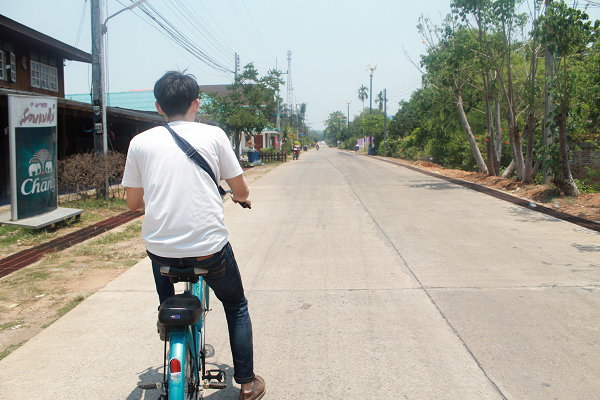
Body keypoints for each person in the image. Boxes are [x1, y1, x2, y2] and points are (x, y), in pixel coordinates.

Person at [121, 71, 265, 400]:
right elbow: (240, 188)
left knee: (162, 271)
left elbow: (132, 202)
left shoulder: (140, 143)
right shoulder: (214, 136)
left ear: (159, 106)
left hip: (161, 249)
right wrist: (241, 198)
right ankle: (246, 383)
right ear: (195, 104)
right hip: (208, 250)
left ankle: (168, 320)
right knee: (236, 305)